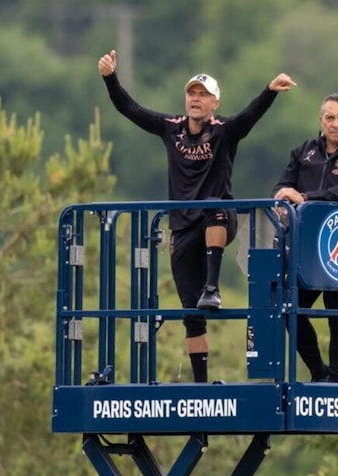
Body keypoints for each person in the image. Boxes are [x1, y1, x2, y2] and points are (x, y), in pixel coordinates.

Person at [98, 49, 296, 383]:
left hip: (219, 218)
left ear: (215, 103)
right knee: (192, 312)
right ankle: (201, 384)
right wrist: (110, 78)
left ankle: (213, 286)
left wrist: (270, 91)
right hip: (182, 226)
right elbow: (129, 109)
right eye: (191, 93)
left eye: (203, 95)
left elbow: (249, 116)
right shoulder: (171, 128)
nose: (195, 99)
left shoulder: (224, 130)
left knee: (215, 209)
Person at [272, 93, 338, 383]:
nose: (336, 124)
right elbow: (283, 185)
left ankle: (336, 379)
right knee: (289, 309)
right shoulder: (304, 151)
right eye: (330, 117)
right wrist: (282, 200)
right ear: (321, 121)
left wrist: (306, 198)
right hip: (305, 248)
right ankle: (318, 371)